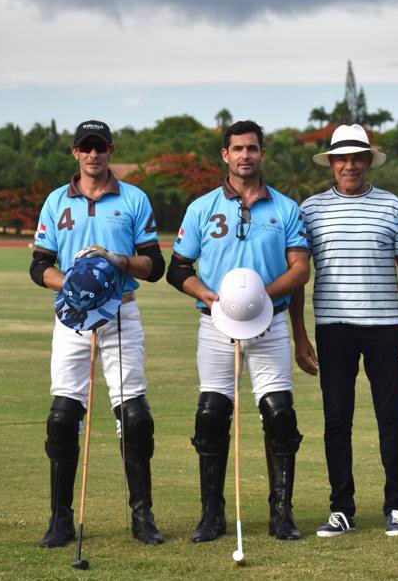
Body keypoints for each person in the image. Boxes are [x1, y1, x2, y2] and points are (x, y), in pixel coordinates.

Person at [166, 120, 311, 542]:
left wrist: (258, 296)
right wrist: (209, 295)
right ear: (225, 155)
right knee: (211, 414)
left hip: (272, 322)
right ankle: (211, 514)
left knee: (280, 414)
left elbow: (300, 269)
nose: (245, 155)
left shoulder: (286, 208)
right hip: (215, 324)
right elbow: (178, 269)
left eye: (252, 148)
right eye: (238, 149)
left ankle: (281, 513)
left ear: (262, 153)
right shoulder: (201, 208)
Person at [29, 119, 166, 547]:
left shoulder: (134, 198)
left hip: (120, 311)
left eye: (100, 147)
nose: (93, 154)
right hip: (72, 316)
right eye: (86, 147)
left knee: (135, 417)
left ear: (110, 150)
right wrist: (72, 283)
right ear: (75, 152)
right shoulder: (56, 201)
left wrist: (118, 261)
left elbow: (155, 266)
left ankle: (142, 516)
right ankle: (60, 519)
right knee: (63, 416)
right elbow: (39, 265)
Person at [289, 124, 398, 537]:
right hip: (333, 327)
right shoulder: (310, 209)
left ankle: (397, 506)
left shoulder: (391, 206)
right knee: (336, 420)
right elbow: (299, 275)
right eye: (342, 159)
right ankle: (341, 508)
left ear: (368, 161)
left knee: (392, 418)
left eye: (357, 158)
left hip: (386, 326)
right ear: (332, 163)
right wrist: (300, 335)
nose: (350, 165)